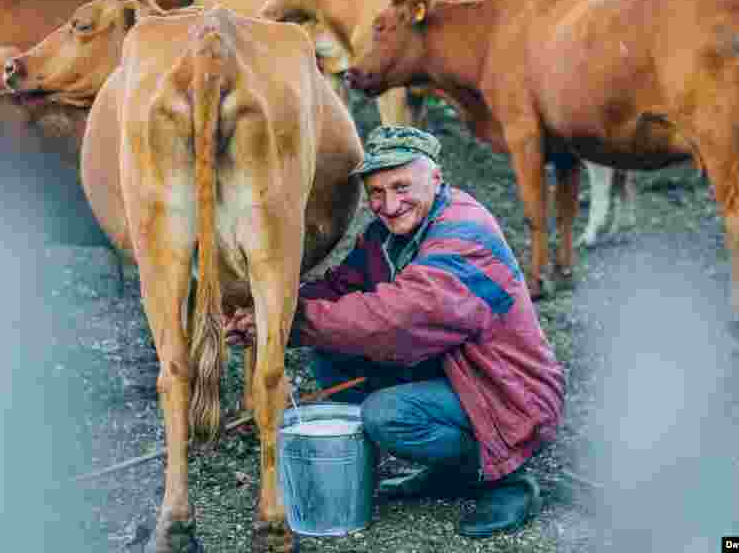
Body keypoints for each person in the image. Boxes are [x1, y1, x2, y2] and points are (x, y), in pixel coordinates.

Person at [224, 125, 565, 538]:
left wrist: (289, 324)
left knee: (385, 415)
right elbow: (341, 285)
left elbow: (397, 323)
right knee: (331, 353)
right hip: (457, 372)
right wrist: (267, 310)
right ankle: (450, 468)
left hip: (509, 393)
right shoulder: (387, 235)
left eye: (401, 186)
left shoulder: (464, 235)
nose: (389, 204)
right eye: (376, 193)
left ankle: (507, 478)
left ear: (435, 178)